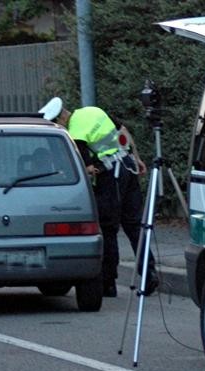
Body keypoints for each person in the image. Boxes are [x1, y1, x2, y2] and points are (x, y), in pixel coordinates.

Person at [38, 97, 158, 297]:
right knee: (134, 225)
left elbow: (88, 169)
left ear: (61, 117)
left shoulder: (76, 133)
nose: (59, 127)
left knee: (109, 228)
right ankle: (149, 273)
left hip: (111, 177)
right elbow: (124, 132)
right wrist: (136, 158)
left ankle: (108, 283)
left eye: (57, 123)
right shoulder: (93, 111)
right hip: (127, 166)